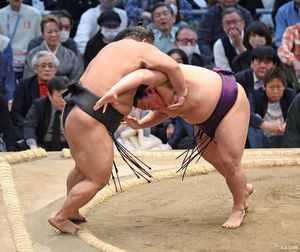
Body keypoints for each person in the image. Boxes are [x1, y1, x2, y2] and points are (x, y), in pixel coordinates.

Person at [48, 25, 188, 234]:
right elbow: (174, 67)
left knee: (82, 168)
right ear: (145, 42)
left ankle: (73, 209)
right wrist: (183, 92)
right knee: (98, 179)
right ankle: (60, 216)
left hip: (73, 111)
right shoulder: (141, 48)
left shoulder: (110, 48)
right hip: (90, 116)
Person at [94, 65, 254, 229]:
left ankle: (238, 208)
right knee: (209, 154)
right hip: (204, 119)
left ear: (150, 90)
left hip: (229, 102)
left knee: (229, 161)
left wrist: (114, 90)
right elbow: (162, 112)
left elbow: (142, 75)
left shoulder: (163, 76)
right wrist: (140, 124)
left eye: (148, 106)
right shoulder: (158, 95)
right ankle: (242, 188)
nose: (151, 109)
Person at [11, 50, 59, 141]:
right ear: (35, 69)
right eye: (43, 65)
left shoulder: (63, 86)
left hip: (55, 129)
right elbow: (15, 113)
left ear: (55, 69)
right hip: (28, 127)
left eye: (50, 66)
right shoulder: (24, 85)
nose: (47, 69)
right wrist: (27, 126)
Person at [247, 68, 297, 148]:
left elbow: (296, 115)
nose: (275, 91)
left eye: (279, 87)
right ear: (264, 86)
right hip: (262, 137)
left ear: (284, 86)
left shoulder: (291, 95)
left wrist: (286, 125)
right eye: (271, 87)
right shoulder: (256, 95)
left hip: (283, 137)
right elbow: (247, 114)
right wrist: (267, 125)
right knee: (253, 124)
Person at [23, 15, 81, 82]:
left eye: (56, 31)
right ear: (43, 34)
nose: (53, 35)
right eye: (49, 32)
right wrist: (64, 78)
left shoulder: (71, 55)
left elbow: (76, 81)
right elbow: (28, 80)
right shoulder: (32, 55)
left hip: (65, 91)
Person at [23, 77, 69, 151]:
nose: (63, 100)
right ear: (50, 96)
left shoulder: (74, 106)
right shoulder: (39, 105)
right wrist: (33, 146)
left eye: (66, 95)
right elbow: (29, 126)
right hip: (43, 145)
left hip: (68, 146)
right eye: (59, 96)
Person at [0, 0, 42, 79]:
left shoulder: (35, 14)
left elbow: (39, 40)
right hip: (6, 61)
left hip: (29, 62)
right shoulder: (1, 14)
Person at [213, 7, 246, 72]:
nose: (232, 26)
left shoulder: (253, 36)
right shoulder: (219, 44)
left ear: (243, 23)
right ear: (223, 26)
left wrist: (240, 46)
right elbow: (224, 72)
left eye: (235, 22)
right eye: (228, 23)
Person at [278, 22, 300, 92]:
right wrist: (294, 62)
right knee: (285, 64)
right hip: (297, 72)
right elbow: (282, 50)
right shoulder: (293, 30)